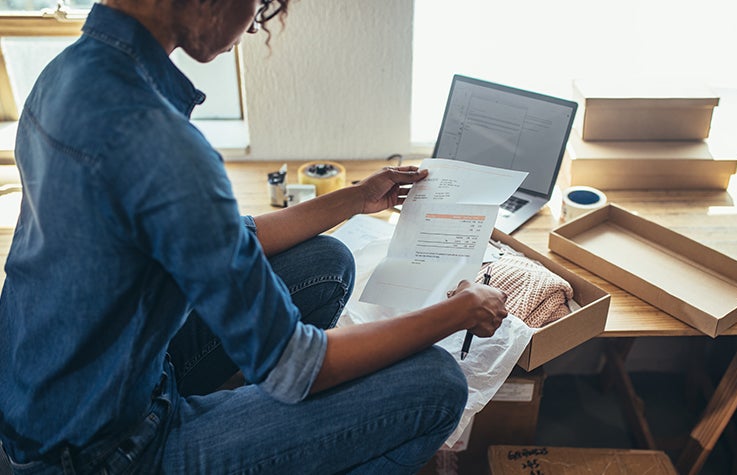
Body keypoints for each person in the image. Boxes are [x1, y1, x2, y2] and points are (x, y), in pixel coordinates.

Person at [0, 0, 509, 473]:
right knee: (438, 386)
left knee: (326, 264)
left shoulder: (66, 74)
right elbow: (296, 367)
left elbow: (218, 241)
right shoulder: (161, 143)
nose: (253, 25)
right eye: (260, 4)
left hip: (56, 399)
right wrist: (457, 312)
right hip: (107, 452)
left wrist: (355, 198)